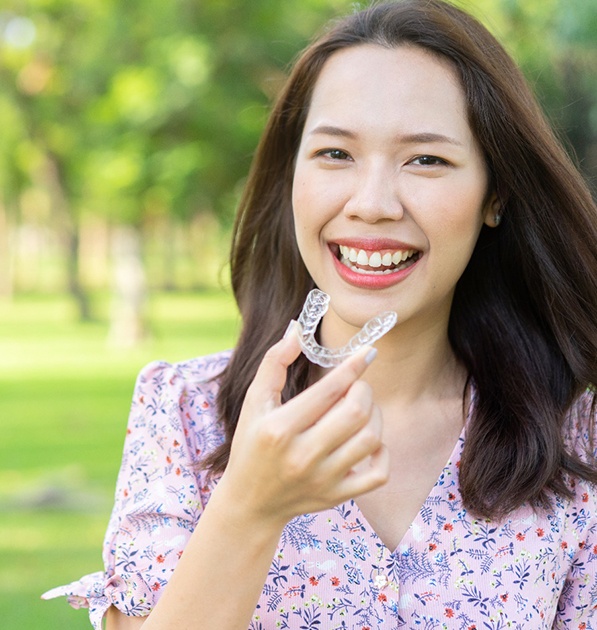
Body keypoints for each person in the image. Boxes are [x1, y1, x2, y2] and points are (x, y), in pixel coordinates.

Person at [43, 0, 597, 627]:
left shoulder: (576, 441)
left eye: (427, 159)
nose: (373, 204)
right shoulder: (183, 415)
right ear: (292, 178)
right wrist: (249, 507)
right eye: (336, 154)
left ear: (494, 194)